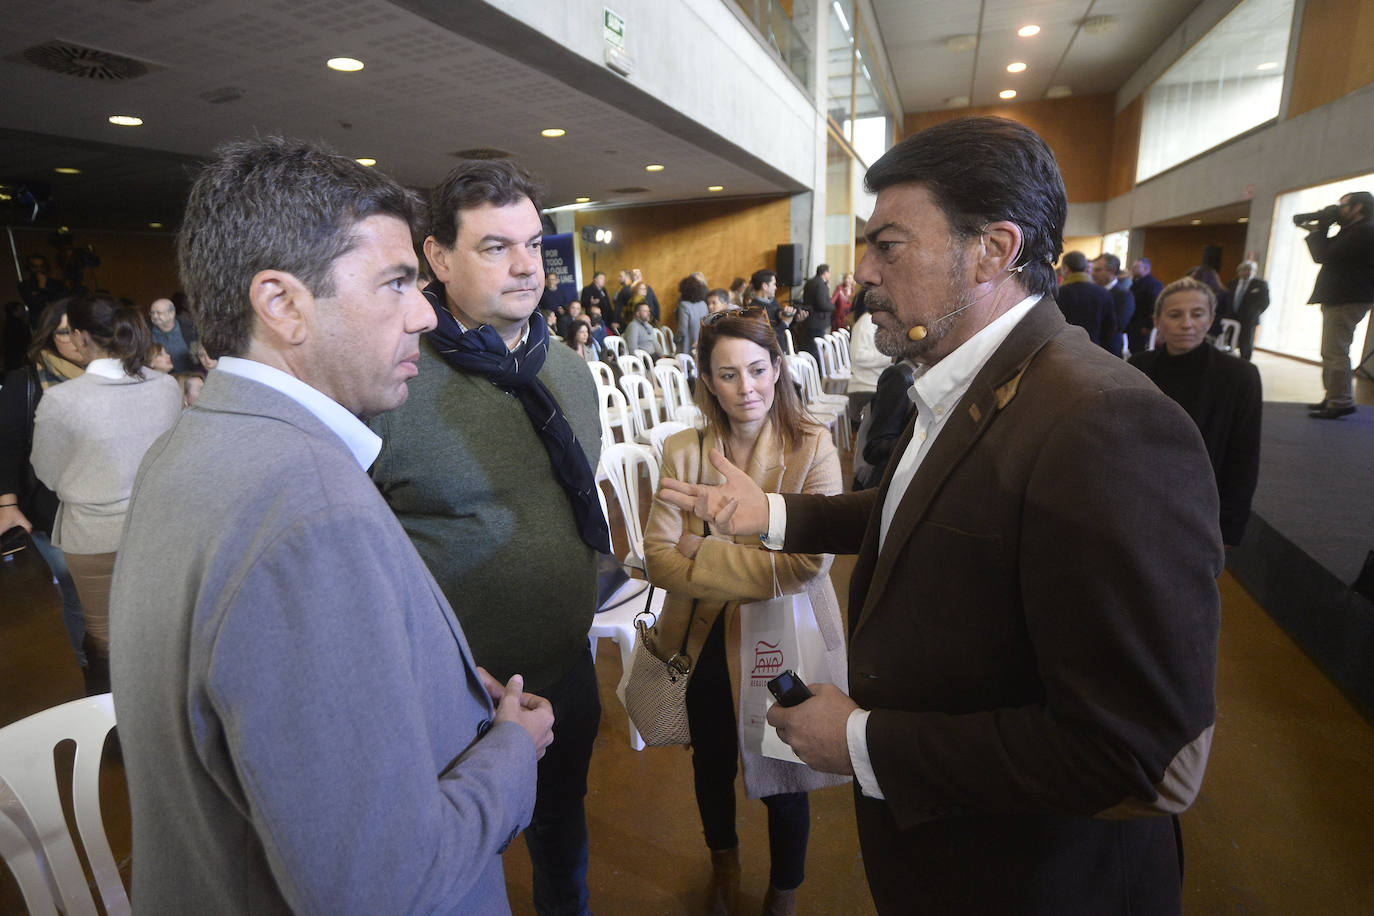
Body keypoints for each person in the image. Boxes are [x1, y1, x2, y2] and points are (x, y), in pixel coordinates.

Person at [659, 116, 1222, 914]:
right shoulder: (974, 379)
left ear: (992, 250)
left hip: (1033, 879)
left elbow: (1140, 756)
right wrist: (774, 513)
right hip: (957, 857)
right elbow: (918, 510)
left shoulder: (1105, 424)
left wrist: (859, 740)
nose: (861, 275)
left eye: (889, 246)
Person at [108, 137, 552, 913]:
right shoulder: (310, 510)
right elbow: (383, 885)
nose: (422, 313)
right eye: (396, 283)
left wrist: (431, 688)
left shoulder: (195, 440)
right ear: (283, 305)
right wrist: (513, 752)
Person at [371, 156, 606, 916]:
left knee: (562, 838)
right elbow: (364, 561)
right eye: (495, 247)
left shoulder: (566, 370)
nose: (525, 266)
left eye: (533, 244)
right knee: (456, 874)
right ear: (437, 258)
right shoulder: (392, 383)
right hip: (453, 696)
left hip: (567, 668)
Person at [644, 306, 849, 916]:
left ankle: (784, 889)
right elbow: (657, 556)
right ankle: (723, 863)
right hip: (703, 636)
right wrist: (760, 560)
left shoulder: (811, 446)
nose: (746, 388)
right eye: (727, 374)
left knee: (787, 766)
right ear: (707, 380)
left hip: (787, 635)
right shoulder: (684, 449)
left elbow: (807, 566)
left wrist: (701, 549)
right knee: (711, 762)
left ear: (777, 368)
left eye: (757, 369)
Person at [32, 292, 181, 695]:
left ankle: (119, 731)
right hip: (159, 529)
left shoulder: (62, 400)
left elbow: (45, 471)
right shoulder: (166, 386)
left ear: (80, 337)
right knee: (164, 630)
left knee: (107, 641)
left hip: (94, 536)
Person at [1130, 278, 1261, 546]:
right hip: (1145, 499)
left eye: (1197, 314)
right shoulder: (1138, 366)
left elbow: (1244, 456)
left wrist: (1228, 527)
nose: (1187, 324)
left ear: (1211, 319)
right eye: (1175, 315)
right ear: (1158, 321)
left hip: (1201, 506)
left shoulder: (1239, 376)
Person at [0, 300, 89, 673]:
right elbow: (9, 444)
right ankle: (92, 667)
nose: (74, 340)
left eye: (78, 329)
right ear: (48, 336)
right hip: (49, 505)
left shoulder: (106, 375)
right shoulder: (26, 380)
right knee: (76, 590)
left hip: (100, 499)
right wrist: (7, 505)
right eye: (64, 332)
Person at [1295, 191, 1374, 418]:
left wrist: (1322, 228)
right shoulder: (1354, 231)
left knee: (1336, 351)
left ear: (1358, 208)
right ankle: (1332, 396)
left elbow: (1323, 254)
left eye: (1343, 205)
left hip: (1347, 298)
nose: (1339, 209)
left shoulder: (1364, 231)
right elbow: (1327, 251)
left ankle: (1340, 402)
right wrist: (1317, 229)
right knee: (1330, 351)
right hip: (1341, 297)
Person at [845, 289, 892, 425]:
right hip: (864, 389)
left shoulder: (870, 321)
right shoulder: (866, 322)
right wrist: (889, 358)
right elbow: (858, 356)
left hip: (872, 386)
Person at [1056, 250, 1116, 350]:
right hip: (1096, 349)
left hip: (1067, 350)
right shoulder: (1103, 293)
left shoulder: (1060, 293)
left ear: (1065, 268)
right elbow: (1110, 327)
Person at [1091, 253, 1134, 358]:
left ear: (1112, 271)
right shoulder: (1091, 292)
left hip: (1108, 351)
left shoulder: (1124, 295)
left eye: (1097, 270)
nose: (1092, 274)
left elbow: (1118, 326)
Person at [1227, 260, 1270, 360]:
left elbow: (1265, 302)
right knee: (1230, 340)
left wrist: (1255, 313)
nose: (1248, 272)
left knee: (1245, 343)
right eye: (1245, 270)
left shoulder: (1260, 284)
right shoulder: (1233, 283)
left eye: (1251, 270)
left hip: (1249, 319)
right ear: (1239, 271)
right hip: (1232, 316)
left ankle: (1245, 363)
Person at [149, 296, 201, 372]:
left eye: (158, 313)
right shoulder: (146, 334)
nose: (155, 316)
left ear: (172, 313)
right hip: (163, 378)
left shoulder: (191, 330)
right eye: (152, 313)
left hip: (191, 377)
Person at [17, 255, 69, 326]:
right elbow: (33, 304)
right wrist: (41, 287)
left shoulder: (55, 283)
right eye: (35, 266)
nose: (39, 269)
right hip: (39, 323)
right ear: (29, 268)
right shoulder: (24, 285)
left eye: (42, 266)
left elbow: (63, 301)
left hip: (58, 320)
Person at [1127, 257, 1163, 354]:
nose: (1132, 269)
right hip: (1133, 324)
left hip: (1142, 326)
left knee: (1137, 351)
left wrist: (1148, 326)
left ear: (1146, 269)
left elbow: (1155, 307)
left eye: (1136, 267)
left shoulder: (1153, 284)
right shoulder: (1135, 282)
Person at [799, 264, 833, 358]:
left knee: (809, 346)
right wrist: (833, 307)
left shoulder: (810, 282)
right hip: (818, 321)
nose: (829, 275)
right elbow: (822, 304)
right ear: (825, 273)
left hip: (809, 319)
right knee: (816, 349)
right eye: (829, 272)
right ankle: (817, 370)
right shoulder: (820, 285)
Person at [676, 274, 709, 354]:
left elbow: (682, 330)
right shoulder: (703, 304)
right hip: (701, 344)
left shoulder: (683, 305)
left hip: (687, 346)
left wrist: (675, 339)